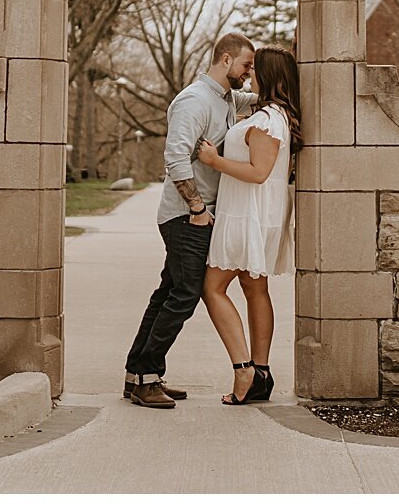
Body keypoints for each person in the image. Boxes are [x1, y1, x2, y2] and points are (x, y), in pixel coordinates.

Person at [123, 32, 257, 409]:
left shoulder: (227, 98)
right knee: (183, 296)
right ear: (226, 59)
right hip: (186, 217)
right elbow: (176, 159)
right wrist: (197, 209)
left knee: (167, 292)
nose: (249, 73)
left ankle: (138, 375)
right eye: (246, 65)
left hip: (195, 216)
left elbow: (263, 96)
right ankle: (147, 379)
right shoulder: (194, 101)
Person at [196, 45, 302, 405]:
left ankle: (245, 368)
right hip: (258, 214)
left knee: (212, 288)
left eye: (256, 69)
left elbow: (258, 173)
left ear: (269, 75)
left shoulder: (267, 121)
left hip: (250, 215)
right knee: (255, 289)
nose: (250, 74)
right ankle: (261, 374)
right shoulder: (275, 115)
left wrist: (213, 159)